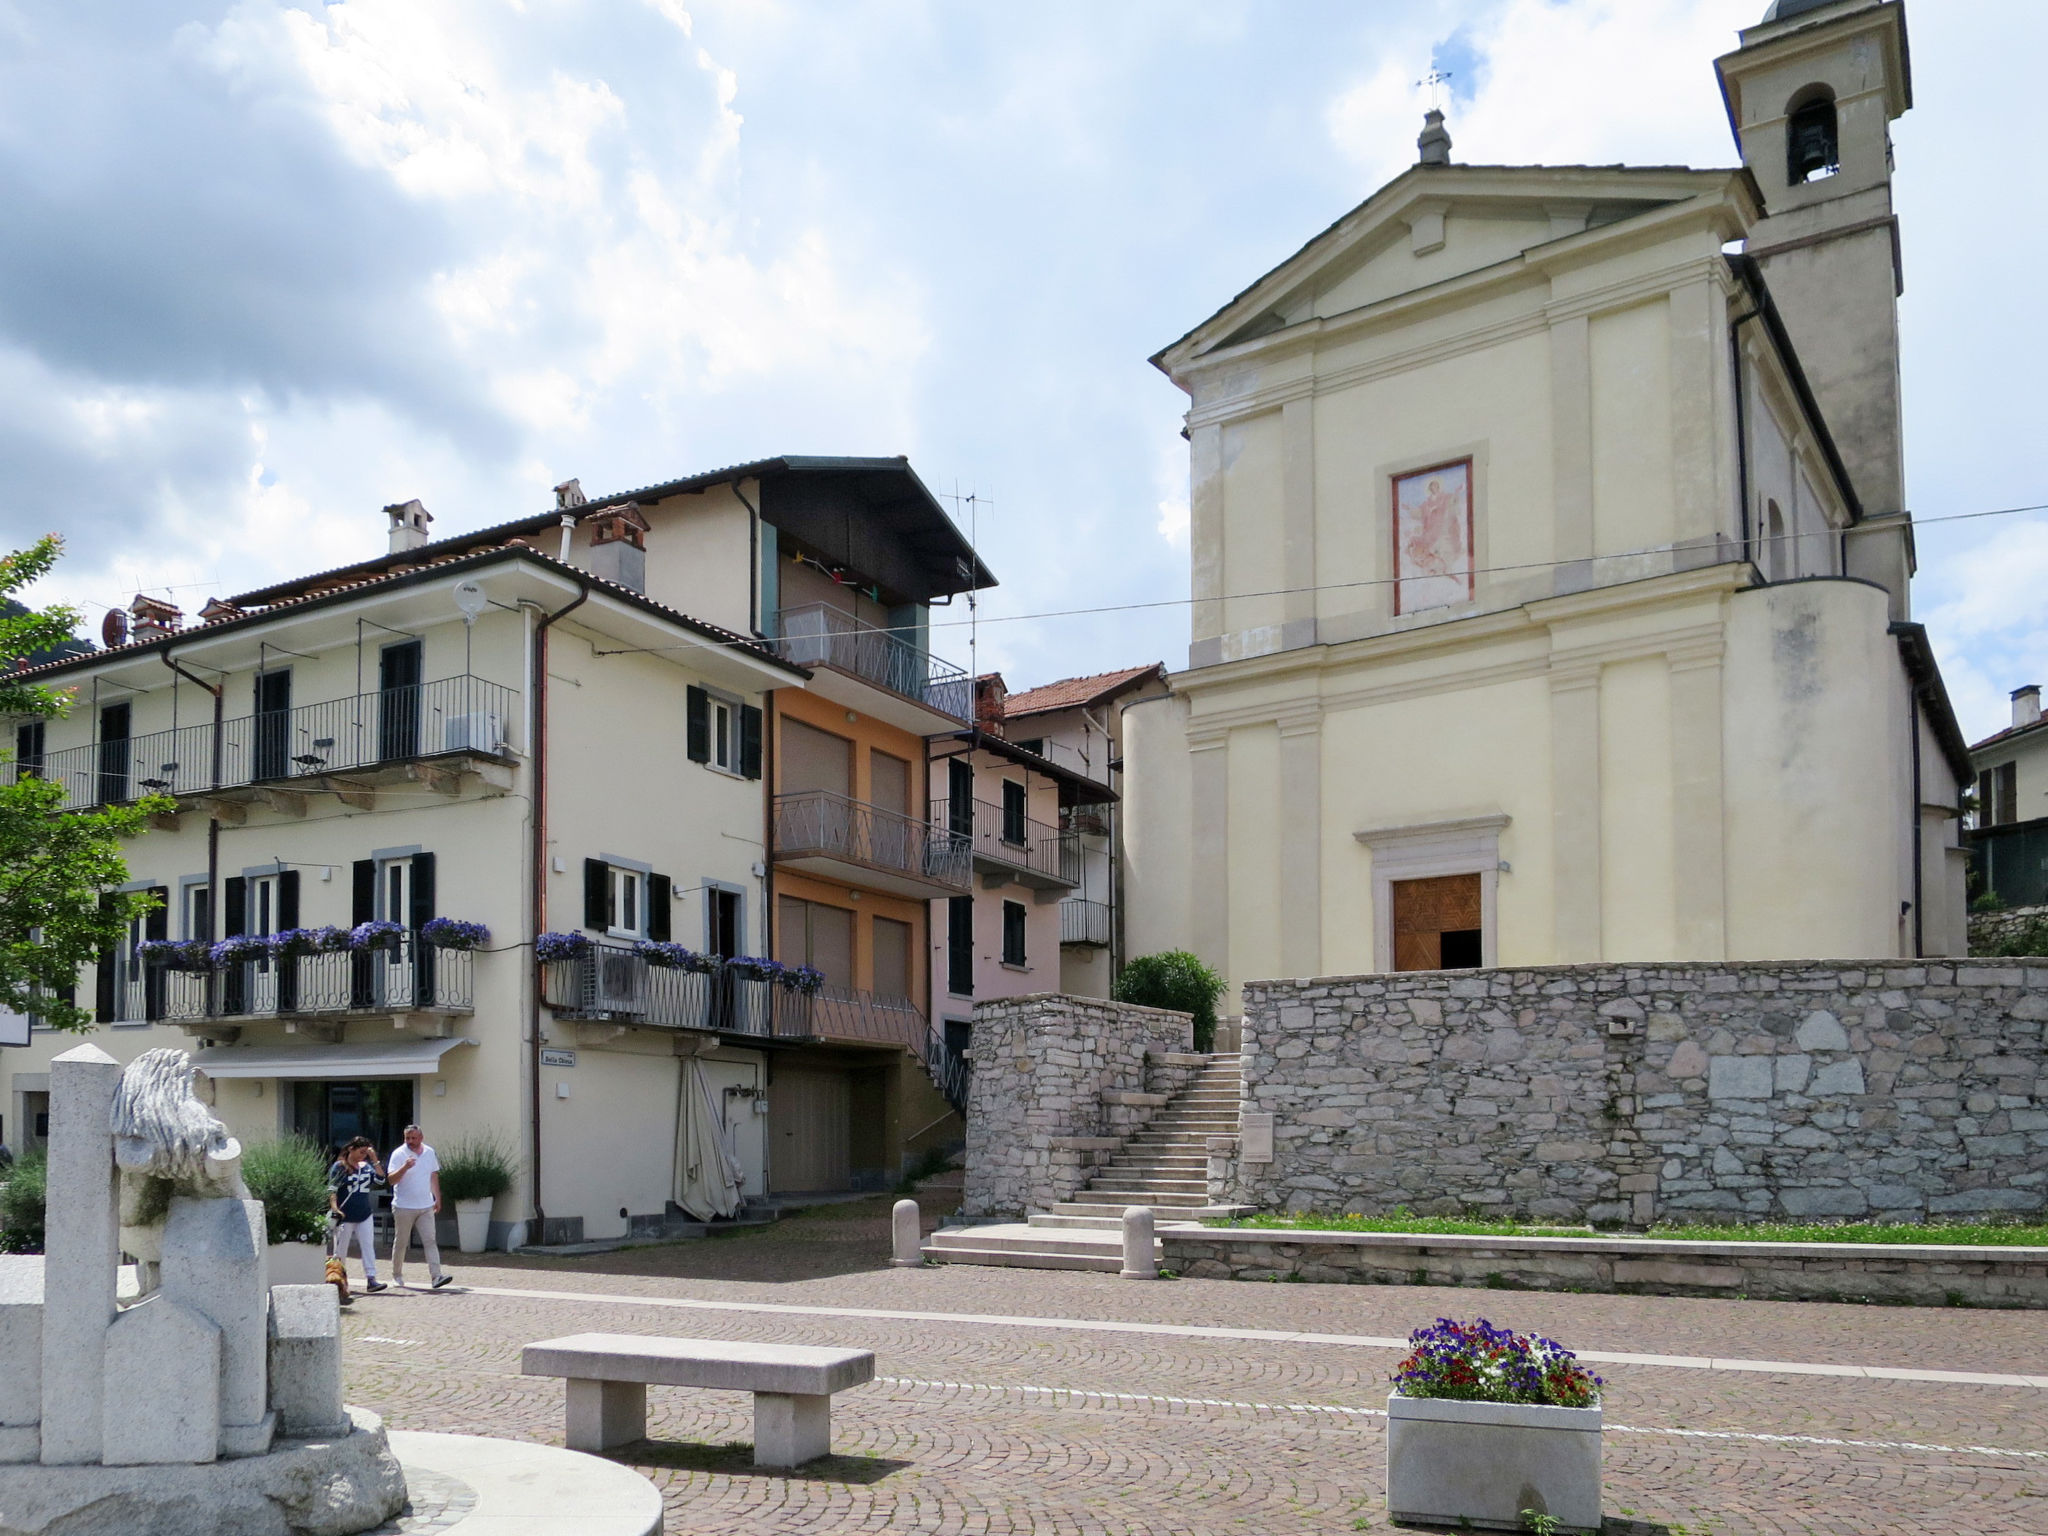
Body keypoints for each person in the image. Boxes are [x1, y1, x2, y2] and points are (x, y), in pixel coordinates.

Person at [386, 1123, 451, 1289]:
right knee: (401, 1241)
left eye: (414, 1138)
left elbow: (433, 1175)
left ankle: (436, 1276)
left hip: (425, 1205)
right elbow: (391, 1179)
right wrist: (405, 1167)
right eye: (407, 1138)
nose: (410, 1141)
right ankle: (397, 1275)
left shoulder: (429, 1152)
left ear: (421, 1138)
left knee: (430, 1240)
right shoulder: (399, 1154)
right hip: (404, 1206)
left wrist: (437, 1197)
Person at [328, 1137, 387, 1292]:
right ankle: (339, 1278)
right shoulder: (339, 1167)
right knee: (340, 1249)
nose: (363, 1156)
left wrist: (374, 1159)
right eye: (361, 1152)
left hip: (364, 1213)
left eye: (365, 1153)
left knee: (368, 1246)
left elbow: (381, 1180)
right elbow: (332, 1189)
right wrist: (335, 1208)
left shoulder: (366, 1166)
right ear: (351, 1149)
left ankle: (371, 1278)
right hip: (345, 1215)